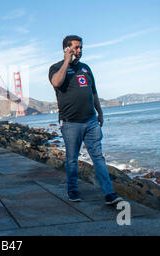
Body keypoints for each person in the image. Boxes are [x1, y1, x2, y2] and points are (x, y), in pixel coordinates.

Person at [48, 35, 123, 205]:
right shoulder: (56, 68)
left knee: (98, 156)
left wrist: (100, 112)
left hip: (91, 121)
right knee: (72, 159)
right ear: (66, 49)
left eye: (81, 47)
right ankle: (73, 190)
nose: (80, 51)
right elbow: (56, 82)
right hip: (70, 123)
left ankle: (109, 193)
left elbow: (93, 92)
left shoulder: (86, 68)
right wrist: (67, 61)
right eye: (76, 48)